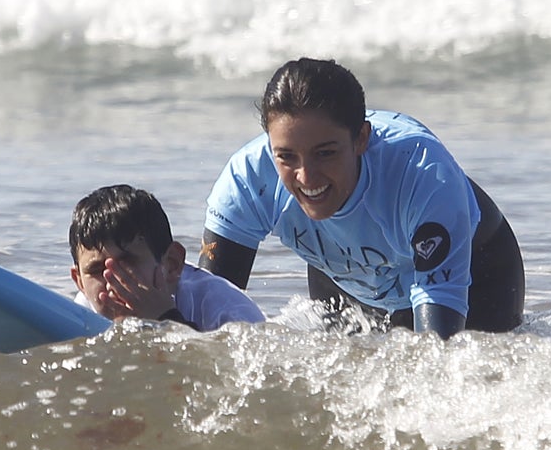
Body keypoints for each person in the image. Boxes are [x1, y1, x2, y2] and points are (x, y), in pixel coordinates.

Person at [199, 57, 524, 338]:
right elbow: (203, 319)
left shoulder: (424, 175)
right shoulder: (247, 178)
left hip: (477, 272)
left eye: (325, 153)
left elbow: (436, 355)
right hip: (344, 273)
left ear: (361, 139)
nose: (306, 177)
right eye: (286, 157)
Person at [70, 184, 265, 331]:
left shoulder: (230, 312)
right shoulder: (80, 311)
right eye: (96, 270)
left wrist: (165, 317)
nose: (113, 280)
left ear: (171, 264)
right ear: (79, 281)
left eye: (127, 263)